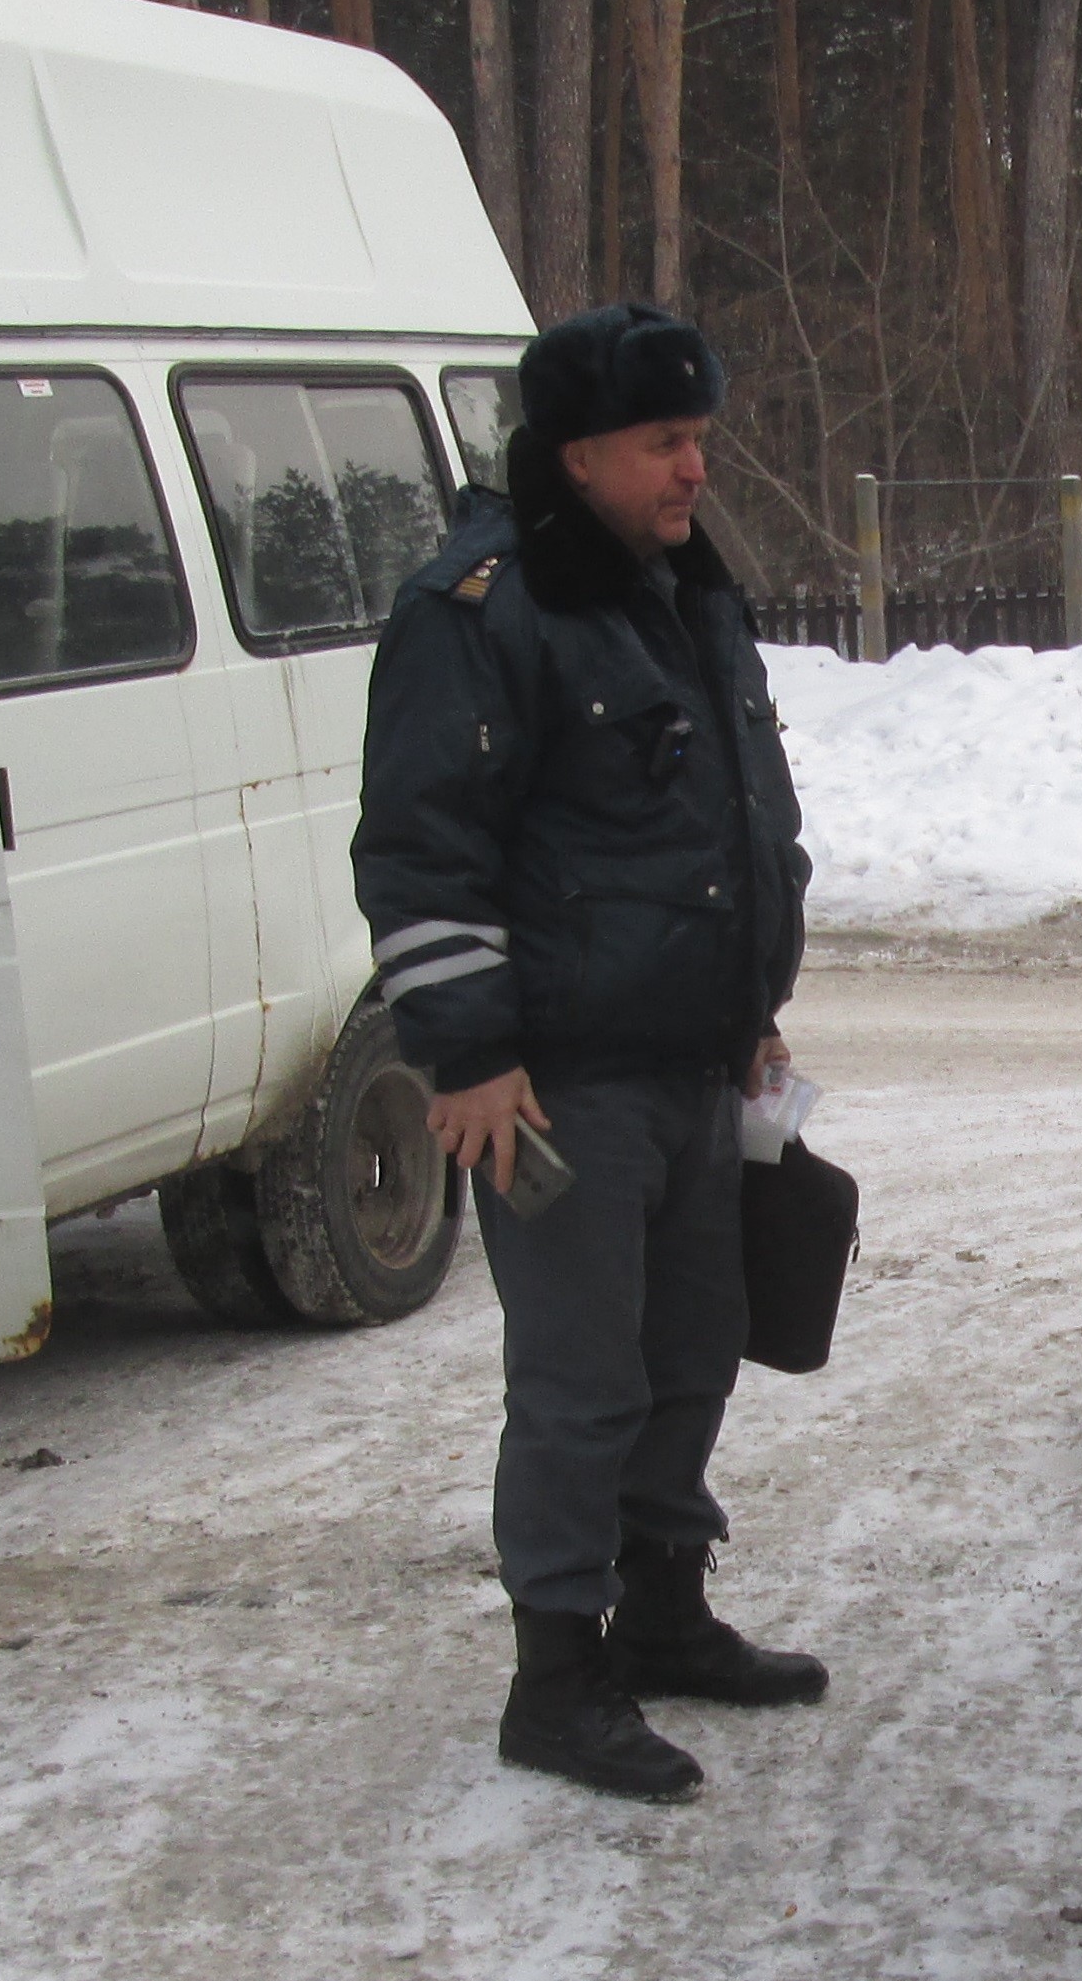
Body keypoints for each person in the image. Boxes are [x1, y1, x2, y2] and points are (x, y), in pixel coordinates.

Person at [353, 302, 823, 1802]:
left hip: (691, 1065)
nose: (698, 469)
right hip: (552, 1087)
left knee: (690, 1353)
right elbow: (422, 855)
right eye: (666, 443)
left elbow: (731, 816)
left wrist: (751, 996)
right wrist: (470, 1052)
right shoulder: (479, 610)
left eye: (700, 437)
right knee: (578, 1383)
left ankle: (664, 1613)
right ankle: (557, 1672)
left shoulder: (678, 587)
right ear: (578, 453)